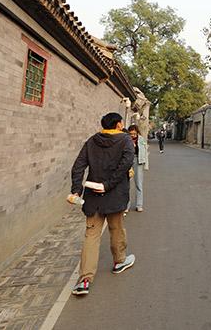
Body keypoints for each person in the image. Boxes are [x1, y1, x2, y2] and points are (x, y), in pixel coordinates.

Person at [69, 112, 136, 296]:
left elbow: (78, 166)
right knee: (116, 229)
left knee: (91, 235)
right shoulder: (125, 140)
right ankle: (119, 261)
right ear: (119, 124)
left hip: (93, 197)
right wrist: (107, 185)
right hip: (114, 195)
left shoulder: (92, 141)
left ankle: (84, 280)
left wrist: (76, 189)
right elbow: (125, 165)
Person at [127, 124, 147, 212]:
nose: (133, 135)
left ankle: (139, 205)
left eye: (134, 134)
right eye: (131, 134)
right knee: (126, 184)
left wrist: (146, 165)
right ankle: (126, 206)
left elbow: (145, 152)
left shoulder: (141, 139)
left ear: (137, 132)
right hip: (127, 161)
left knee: (139, 183)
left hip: (138, 160)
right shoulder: (126, 139)